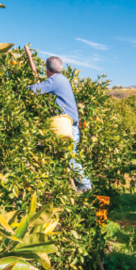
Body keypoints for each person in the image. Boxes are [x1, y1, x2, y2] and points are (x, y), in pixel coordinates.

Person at [28, 57, 92, 192]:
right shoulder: (62, 79)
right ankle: (69, 188)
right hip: (69, 125)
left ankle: (86, 185)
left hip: (67, 126)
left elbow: (35, 90)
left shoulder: (55, 80)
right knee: (65, 157)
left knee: (69, 158)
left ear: (47, 69)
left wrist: (21, 88)